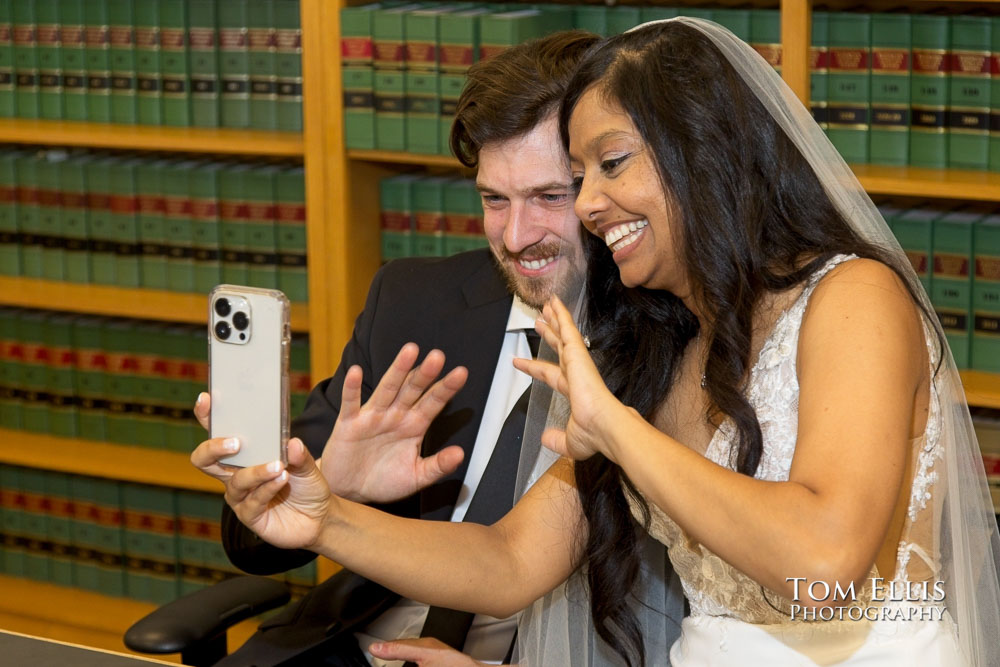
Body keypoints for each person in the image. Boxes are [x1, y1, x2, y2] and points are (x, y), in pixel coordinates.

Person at [200, 17, 1000, 667]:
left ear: (705, 153)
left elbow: (822, 567)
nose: (588, 204)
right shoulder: (663, 346)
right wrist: (327, 518)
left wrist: (614, 425)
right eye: (578, 177)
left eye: (606, 165)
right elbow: (512, 561)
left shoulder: (852, 296)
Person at [191, 30, 682, 667]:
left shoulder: (670, 345)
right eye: (493, 199)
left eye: (549, 197)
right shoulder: (412, 301)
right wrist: (335, 489)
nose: (516, 236)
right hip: (358, 644)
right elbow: (250, 544)